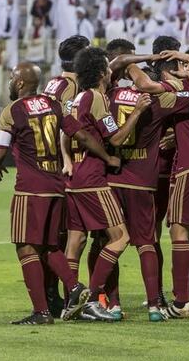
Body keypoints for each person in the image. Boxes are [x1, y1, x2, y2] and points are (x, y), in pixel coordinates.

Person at [0, 63, 103, 324]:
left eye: (11, 77)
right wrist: (107, 156)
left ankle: (41, 312)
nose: (9, 81)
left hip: (29, 190)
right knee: (50, 246)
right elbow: (81, 135)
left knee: (25, 246)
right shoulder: (54, 104)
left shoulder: (12, 111)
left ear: (20, 83)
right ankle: (75, 288)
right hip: (56, 188)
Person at [106, 41, 189, 321]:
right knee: (149, 241)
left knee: (109, 241)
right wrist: (188, 74)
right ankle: (156, 304)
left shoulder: (109, 94)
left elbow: (117, 65)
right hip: (145, 180)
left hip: (112, 178)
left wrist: (133, 64)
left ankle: (111, 304)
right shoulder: (158, 98)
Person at [61, 47, 151, 321]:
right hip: (92, 179)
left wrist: (66, 159)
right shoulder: (98, 98)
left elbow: (66, 131)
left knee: (75, 241)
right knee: (120, 237)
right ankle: (90, 296)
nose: (112, 71)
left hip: (73, 179)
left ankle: (69, 303)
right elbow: (115, 139)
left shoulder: (75, 99)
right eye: (108, 68)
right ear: (102, 72)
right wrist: (136, 113)